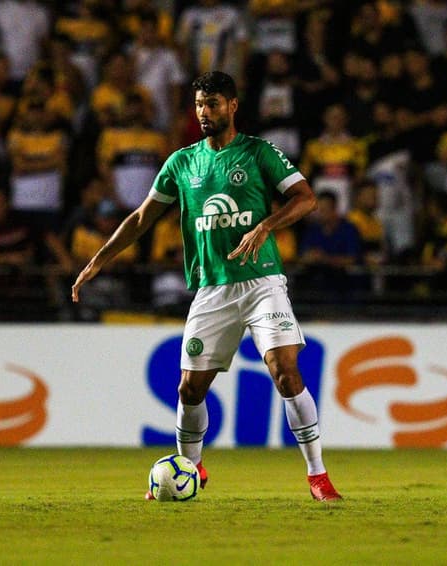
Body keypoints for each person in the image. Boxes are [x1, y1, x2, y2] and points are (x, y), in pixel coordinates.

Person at [71, 71, 342, 502]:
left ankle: (318, 476)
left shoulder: (258, 153)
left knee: (286, 373)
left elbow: (306, 197)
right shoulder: (181, 162)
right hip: (211, 289)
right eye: (199, 104)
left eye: (212, 104)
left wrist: (265, 226)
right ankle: (191, 469)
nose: (204, 112)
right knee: (189, 389)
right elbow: (142, 218)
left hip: (260, 282)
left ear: (232, 106)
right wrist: (98, 260)